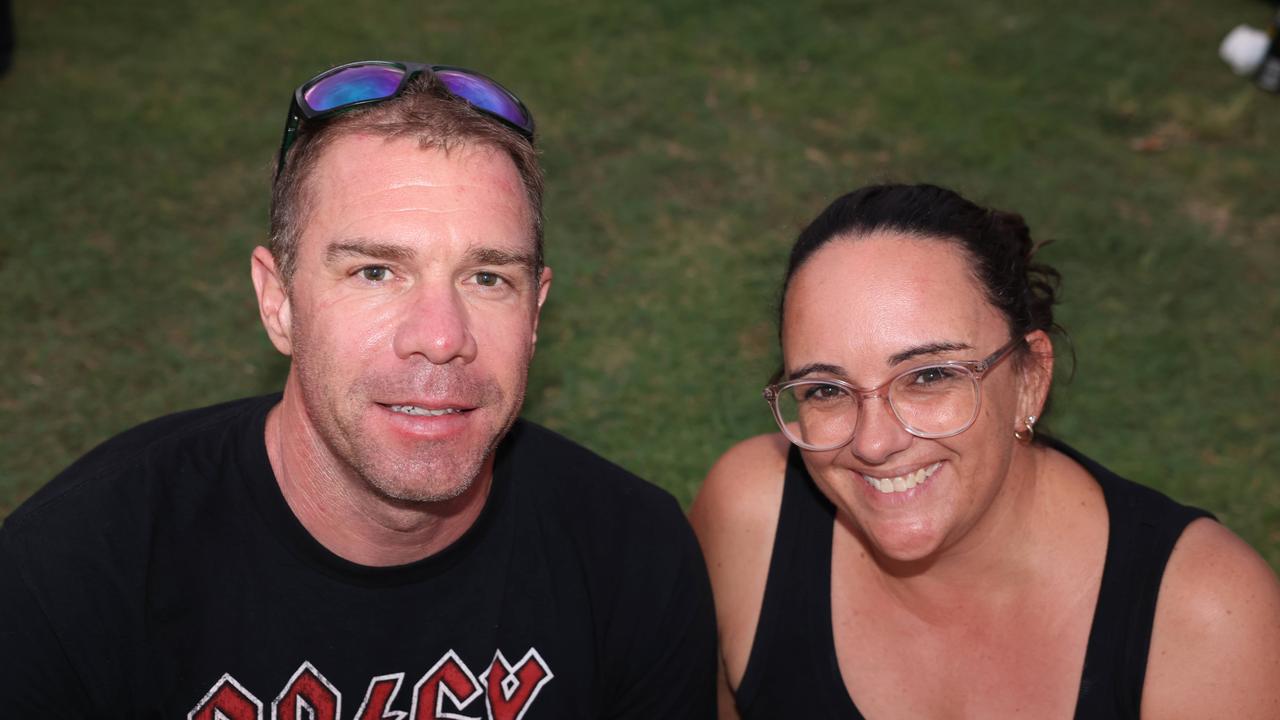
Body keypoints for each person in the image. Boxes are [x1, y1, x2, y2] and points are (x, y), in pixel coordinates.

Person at [0, 61, 716, 718]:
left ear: (535, 312)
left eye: (488, 277)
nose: (440, 337)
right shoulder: (71, 576)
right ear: (278, 301)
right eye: (375, 271)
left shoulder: (633, 557)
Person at [690, 184, 1280, 719]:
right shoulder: (752, 519)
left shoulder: (1207, 619)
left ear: (1030, 378)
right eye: (826, 389)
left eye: (928, 376)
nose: (873, 442)